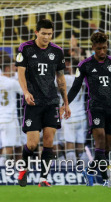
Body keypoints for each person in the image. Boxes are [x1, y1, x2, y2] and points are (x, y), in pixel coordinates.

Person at [65, 31, 111, 186]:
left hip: (110, 109)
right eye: (99, 49)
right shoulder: (85, 65)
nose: (102, 51)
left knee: (107, 148)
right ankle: (105, 180)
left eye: (104, 48)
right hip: (94, 108)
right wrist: (66, 103)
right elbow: (76, 87)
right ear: (93, 47)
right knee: (100, 140)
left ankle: (89, 170)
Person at [16, 19, 71, 187]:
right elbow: (21, 74)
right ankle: (23, 171)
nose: (47, 37)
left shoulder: (58, 51)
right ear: (36, 32)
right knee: (32, 144)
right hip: (33, 102)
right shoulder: (25, 48)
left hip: (51, 102)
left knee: (49, 141)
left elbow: (60, 78)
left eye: (49, 34)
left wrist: (66, 103)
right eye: (44, 33)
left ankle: (43, 178)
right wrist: (26, 92)